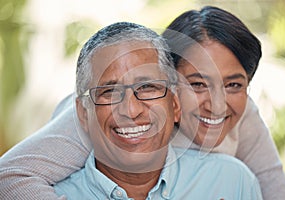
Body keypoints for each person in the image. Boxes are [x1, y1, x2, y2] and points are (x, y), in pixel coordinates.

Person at [0, 6, 285, 200]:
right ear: (172, 87)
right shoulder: (92, 116)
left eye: (233, 84)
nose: (217, 104)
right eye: (197, 84)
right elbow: (11, 175)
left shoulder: (241, 132)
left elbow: (274, 189)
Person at [53, 21, 263, 199]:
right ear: (83, 113)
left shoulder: (232, 181)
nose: (131, 110)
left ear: (175, 105)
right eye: (109, 92)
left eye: (147, 87)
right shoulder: (51, 194)